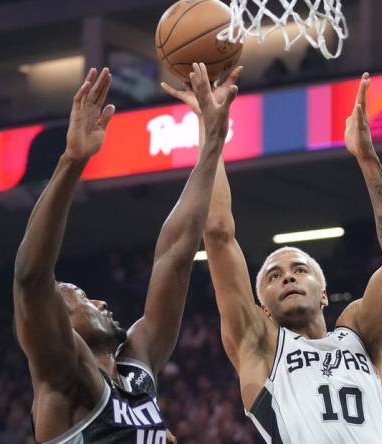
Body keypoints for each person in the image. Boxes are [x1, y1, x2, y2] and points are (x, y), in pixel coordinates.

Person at [165, 71, 382, 443]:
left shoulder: (358, 335)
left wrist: (367, 158)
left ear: (324, 293)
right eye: (272, 275)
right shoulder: (260, 344)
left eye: (300, 269)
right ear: (262, 306)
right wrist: (208, 123)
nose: (287, 277)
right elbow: (218, 233)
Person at [14, 63, 238, 443]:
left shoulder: (137, 366)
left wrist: (212, 141)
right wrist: (72, 162)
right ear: (58, 323)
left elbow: (175, 255)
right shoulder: (64, 377)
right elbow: (31, 278)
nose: (100, 301)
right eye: (82, 299)